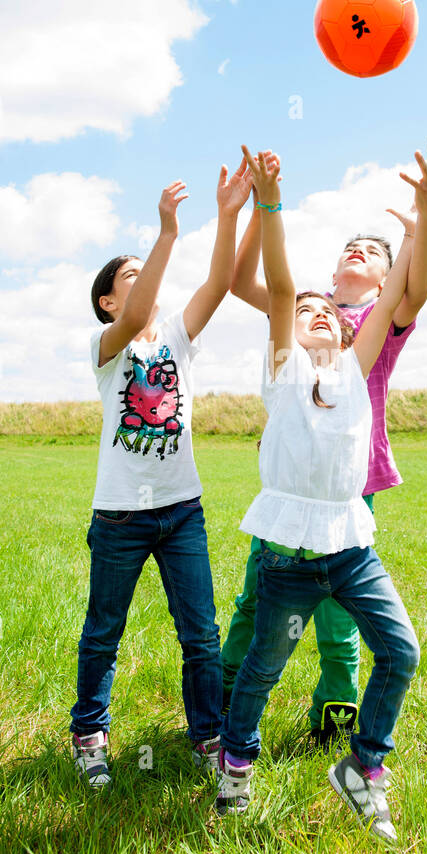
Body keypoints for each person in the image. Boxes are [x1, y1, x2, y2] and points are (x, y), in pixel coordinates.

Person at [217, 146, 427, 843]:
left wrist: (423, 218)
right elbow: (279, 286)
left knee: (401, 653)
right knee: (263, 668)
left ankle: (363, 768)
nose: (310, 310)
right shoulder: (283, 370)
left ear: (348, 327)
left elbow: (402, 286)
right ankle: (236, 760)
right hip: (287, 553)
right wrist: (270, 202)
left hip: (350, 549)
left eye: (323, 310)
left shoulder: (358, 363)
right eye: (301, 309)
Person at [70, 160, 253, 787]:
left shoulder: (178, 335)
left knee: (201, 634)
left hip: (181, 511)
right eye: (130, 277)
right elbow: (137, 310)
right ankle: (89, 733)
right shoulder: (105, 348)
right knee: (104, 631)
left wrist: (228, 215)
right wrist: (167, 235)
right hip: (120, 514)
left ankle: (207, 736)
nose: (143, 283)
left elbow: (219, 285)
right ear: (108, 301)